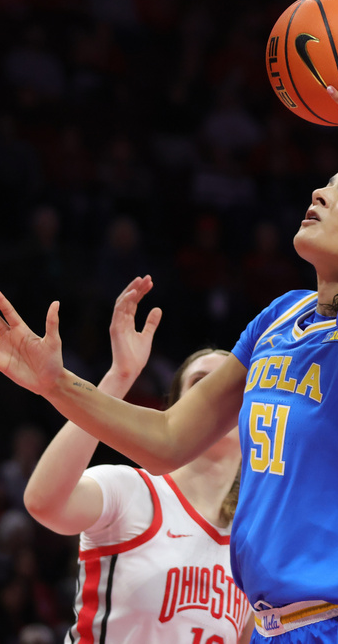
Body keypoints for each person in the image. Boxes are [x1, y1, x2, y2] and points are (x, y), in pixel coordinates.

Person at [0, 38, 338, 643]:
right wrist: (56, 384)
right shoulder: (280, 319)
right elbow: (168, 440)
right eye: (327, 185)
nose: (318, 194)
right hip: (267, 630)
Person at [22, 276, 251, 643]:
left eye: (230, 391)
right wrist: (119, 377)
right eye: (201, 385)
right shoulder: (133, 491)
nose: (218, 404)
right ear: (178, 412)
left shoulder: (254, 538)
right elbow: (44, 502)